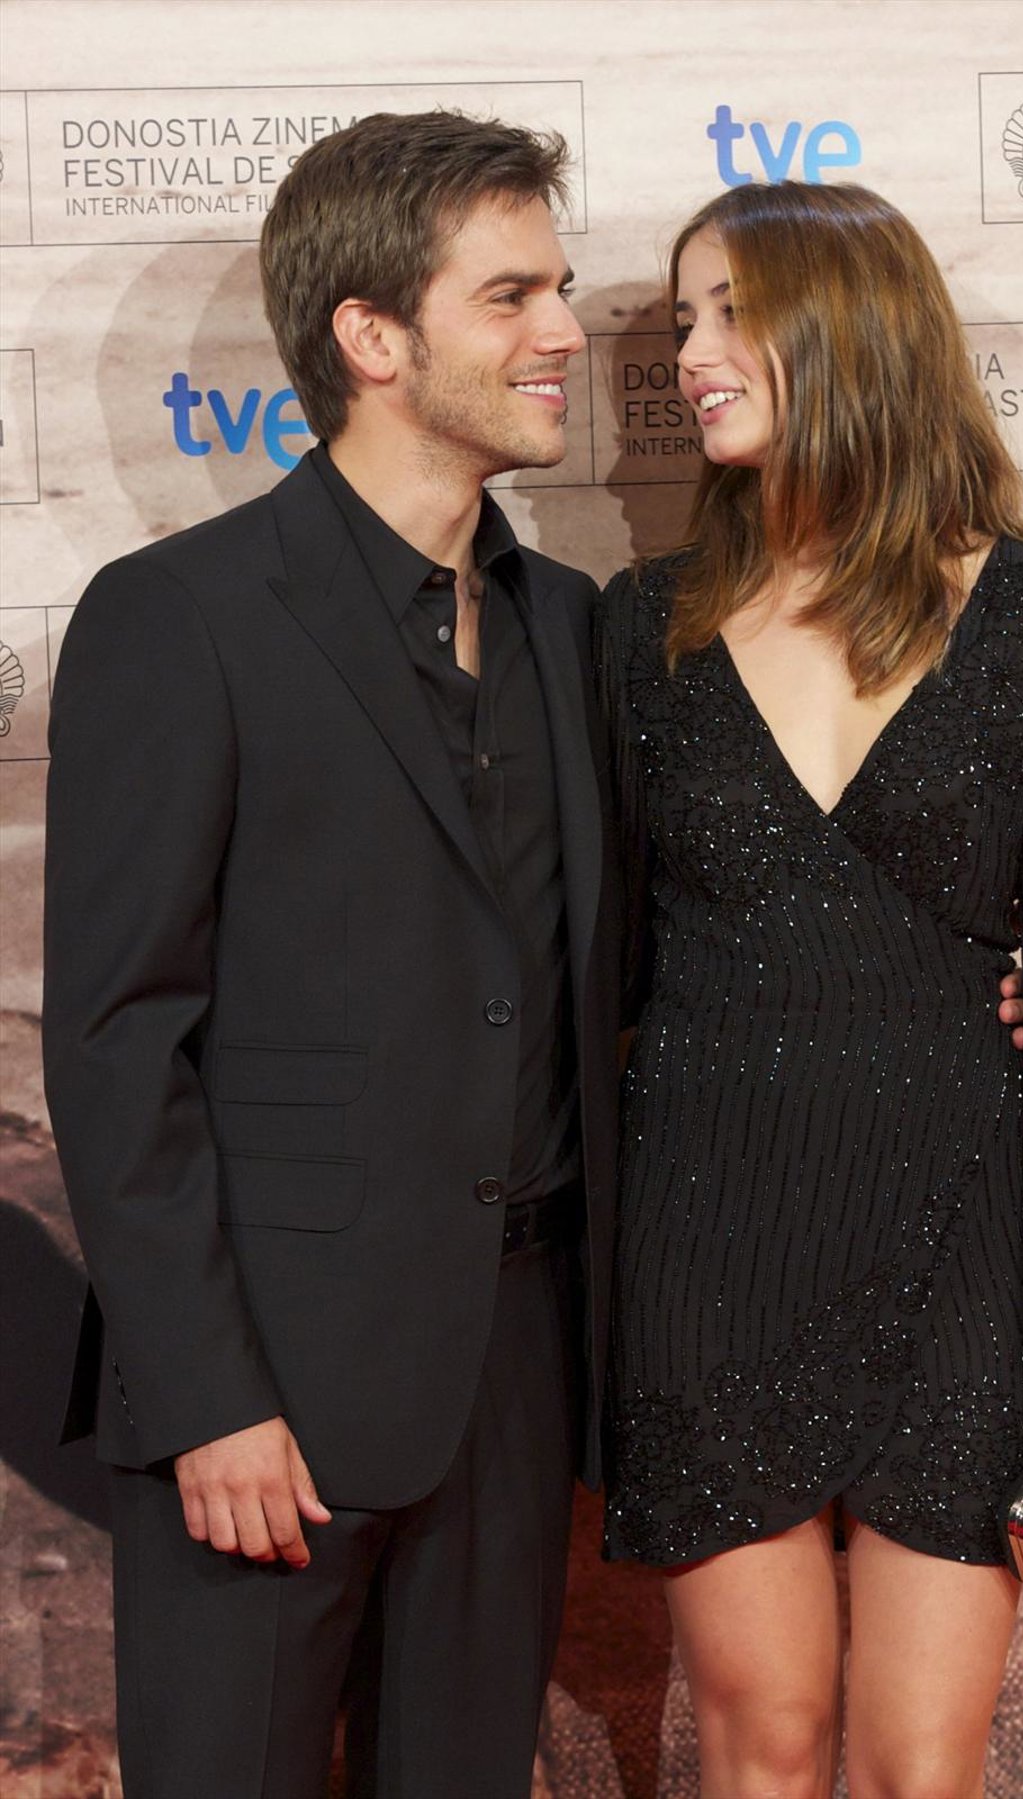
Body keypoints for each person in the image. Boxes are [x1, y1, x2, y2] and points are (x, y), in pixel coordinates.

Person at [41, 110, 622, 1799]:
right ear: (372, 336)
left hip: (517, 1380)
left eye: (561, 288)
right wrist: (204, 1395)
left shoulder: (572, 624)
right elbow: (118, 1038)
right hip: (265, 1396)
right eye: (512, 296)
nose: (567, 332)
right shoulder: (182, 616)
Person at [597, 180, 1023, 1799]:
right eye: (682, 317)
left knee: (923, 1763)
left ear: (851, 330)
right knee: (762, 1745)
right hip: (710, 1242)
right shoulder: (643, 630)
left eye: (731, 312)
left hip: (963, 1242)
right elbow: (601, 969)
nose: (691, 354)